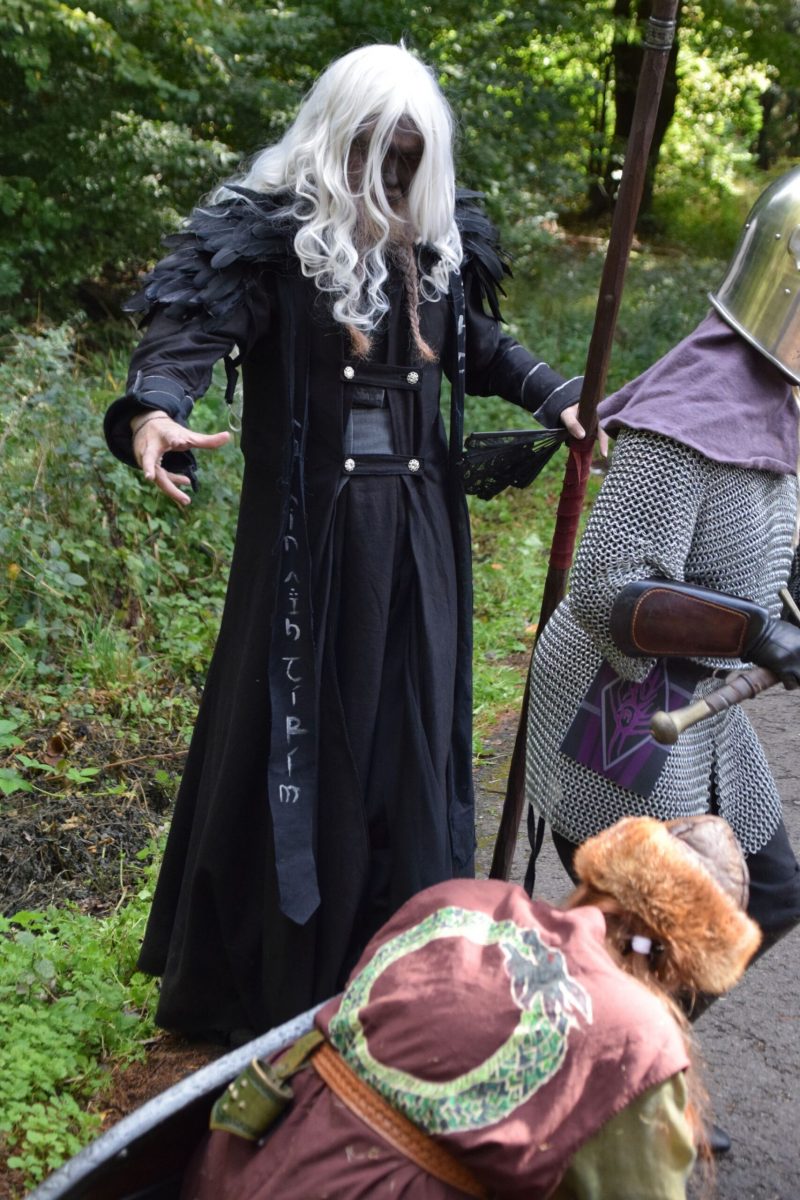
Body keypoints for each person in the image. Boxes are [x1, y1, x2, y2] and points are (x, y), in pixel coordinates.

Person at [104, 43, 585, 1044]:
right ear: (337, 139)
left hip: (420, 532)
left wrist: (557, 393)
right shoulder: (265, 238)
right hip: (308, 541)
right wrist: (153, 410)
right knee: (304, 731)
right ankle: (274, 982)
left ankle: (398, 964)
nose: (391, 180)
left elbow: (476, 345)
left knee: (410, 727)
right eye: (376, 155)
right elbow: (188, 333)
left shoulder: (439, 239)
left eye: (409, 160)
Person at [524, 166, 800, 989]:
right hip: (618, 713)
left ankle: (640, 1051)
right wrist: (757, 632)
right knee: (643, 944)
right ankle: (610, 1055)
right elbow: (607, 588)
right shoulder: (686, 417)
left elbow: (772, 543)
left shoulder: (778, 401)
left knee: (773, 894)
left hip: (700, 713)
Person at [182, 814, 761, 1199]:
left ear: (595, 880)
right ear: (679, 966)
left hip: (238, 1164)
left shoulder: (458, 897)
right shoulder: (636, 1033)